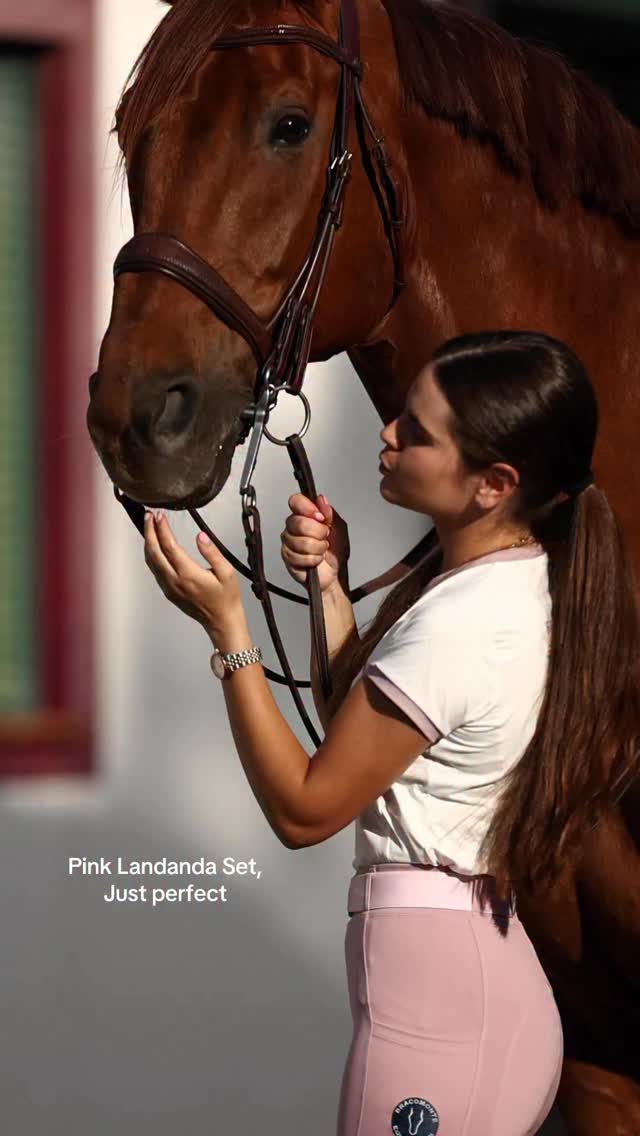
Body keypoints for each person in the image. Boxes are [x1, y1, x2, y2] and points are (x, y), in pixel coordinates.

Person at [142, 329, 640, 1135]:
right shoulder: (505, 586)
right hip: (466, 992)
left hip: (440, 1015)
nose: (388, 433)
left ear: (493, 484)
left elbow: (306, 809)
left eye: (418, 430)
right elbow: (368, 743)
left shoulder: (463, 624)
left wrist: (229, 629)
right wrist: (330, 587)